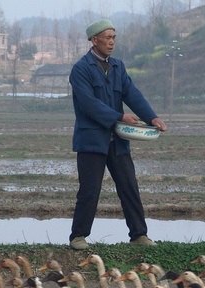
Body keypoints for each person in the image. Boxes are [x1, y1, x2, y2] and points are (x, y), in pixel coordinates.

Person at [68, 18, 167, 250]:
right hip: (91, 140)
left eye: (114, 38)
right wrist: (119, 117)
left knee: (129, 186)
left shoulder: (118, 67)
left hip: (117, 141)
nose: (112, 42)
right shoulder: (81, 69)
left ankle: (139, 235)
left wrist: (152, 117)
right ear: (94, 40)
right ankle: (78, 237)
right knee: (89, 190)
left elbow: (132, 94)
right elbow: (88, 104)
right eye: (107, 38)